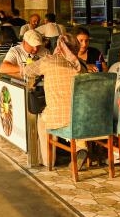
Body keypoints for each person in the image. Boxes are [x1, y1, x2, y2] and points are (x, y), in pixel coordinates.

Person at [35, 32, 88, 167]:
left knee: (42, 119)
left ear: (58, 45)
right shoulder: (81, 65)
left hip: (58, 117)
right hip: (82, 117)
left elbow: (27, 71)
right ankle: (81, 147)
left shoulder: (48, 61)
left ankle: (48, 161)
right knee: (75, 116)